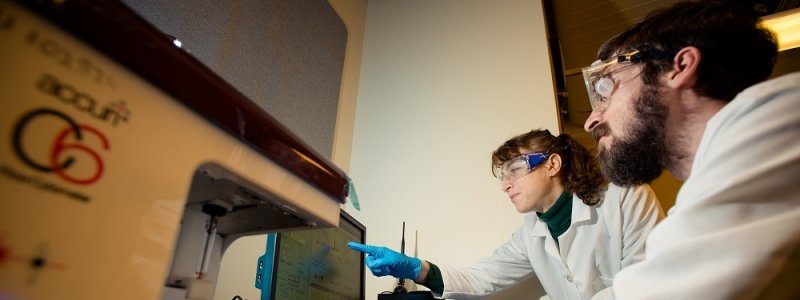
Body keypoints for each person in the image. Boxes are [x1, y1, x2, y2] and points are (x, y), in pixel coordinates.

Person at [580, 1, 800, 299]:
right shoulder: (709, 187)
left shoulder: (779, 119)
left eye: (606, 88)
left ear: (679, 67)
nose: (591, 120)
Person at [348, 129, 664, 299]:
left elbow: (652, 286)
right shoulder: (531, 233)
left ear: (553, 164)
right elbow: (482, 276)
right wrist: (418, 269)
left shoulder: (624, 197)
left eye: (515, 169)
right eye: (503, 176)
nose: (506, 186)